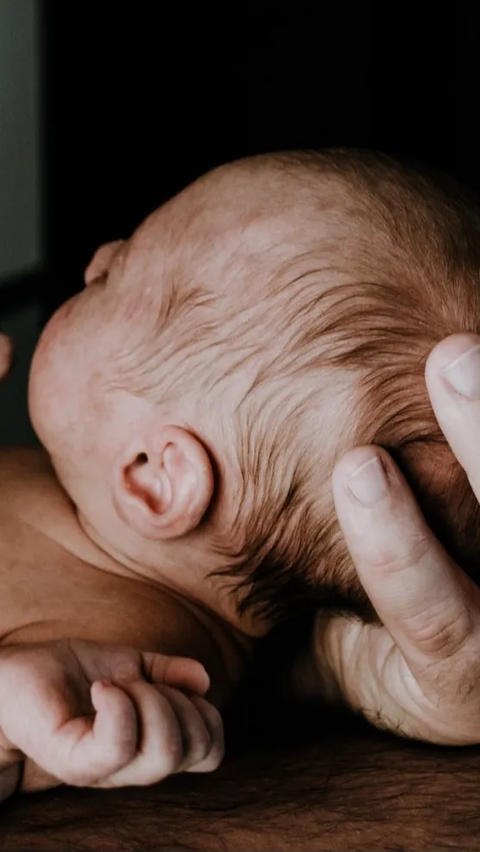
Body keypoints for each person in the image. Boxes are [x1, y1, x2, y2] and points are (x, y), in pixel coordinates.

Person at [1, 149, 480, 802]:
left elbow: (40, 736)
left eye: (119, 276)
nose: (99, 257)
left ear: (156, 475)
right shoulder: (86, 521)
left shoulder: (125, 664)